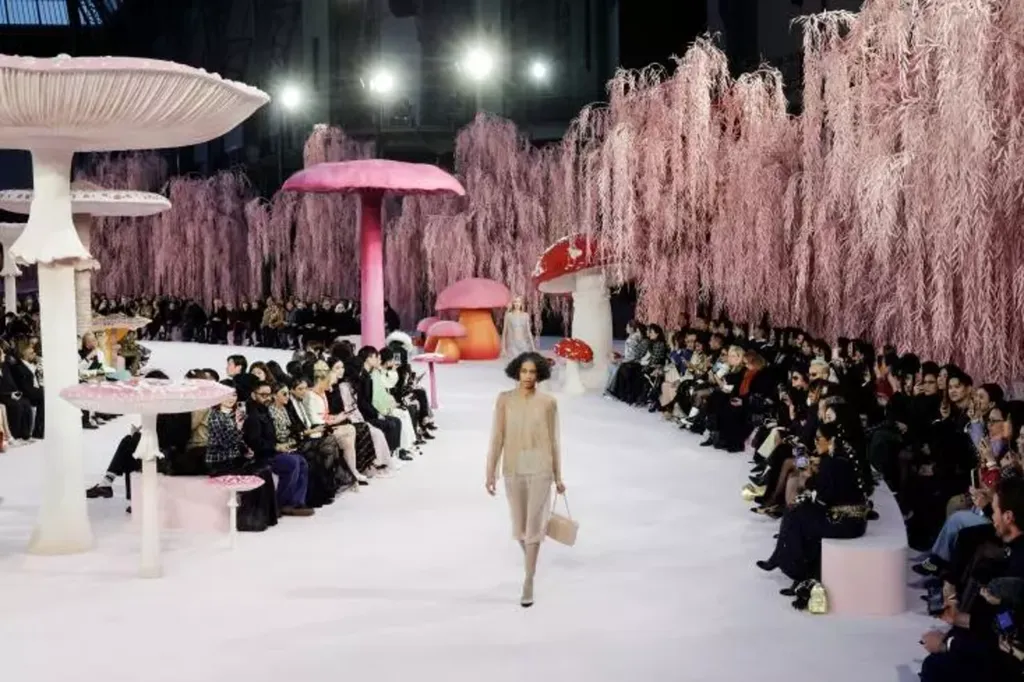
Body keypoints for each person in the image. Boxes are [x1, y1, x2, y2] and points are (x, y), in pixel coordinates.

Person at [486, 351, 566, 608]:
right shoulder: (504, 400)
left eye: (533, 372)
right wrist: (490, 471)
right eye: (524, 371)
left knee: (533, 525)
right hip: (513, 466)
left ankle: (528, 579)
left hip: (541, 466)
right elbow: (497, 437)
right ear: (516, 372)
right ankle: (531, 558)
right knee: (520, 527)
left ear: (539, 374)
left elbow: (554, 440)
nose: (528, 376)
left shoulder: (548, 402)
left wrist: (558, 475)